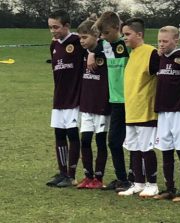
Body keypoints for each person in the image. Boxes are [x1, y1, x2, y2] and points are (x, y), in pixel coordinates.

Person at [89, 11, 133, 192]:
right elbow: (90, 43)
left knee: (132, 142)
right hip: (115, 101)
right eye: (102, 34)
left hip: (130, 100)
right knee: (114, 141)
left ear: (117, 28)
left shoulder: (128, 45)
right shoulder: (104, 44)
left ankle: (135, 179)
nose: (104, 37)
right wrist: (91, 53)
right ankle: (122, 178)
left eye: (106, 33)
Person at [118, 18, 160, 198]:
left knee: (146, 148)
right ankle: (138, 183)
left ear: (139, 34)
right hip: (132, 110)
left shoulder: (151, 53)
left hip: (146, 110)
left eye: (127, 34)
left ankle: (152, 184)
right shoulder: (133, 53)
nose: (124, 37)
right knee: (133, 148)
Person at [152, 26, 180, 202]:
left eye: (165, 41)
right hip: (163, 110)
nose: (161, 45)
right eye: (160, 41)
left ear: (176, 41)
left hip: (179, 110)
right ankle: (169, 188)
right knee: (166, 149)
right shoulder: (158, 58)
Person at [46, 9, 84, 188]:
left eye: (56, 27)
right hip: (59, 97)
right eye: (50, 27)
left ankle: (72, 174)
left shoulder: (77, 41)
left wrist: (92, 54)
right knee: (59, 134)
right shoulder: (54, 45)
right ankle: (62, 172)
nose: (53, 31)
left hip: (74, 96)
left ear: (67, 26)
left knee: (71, 133)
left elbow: (96, 44)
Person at [75, 16, 110, 189]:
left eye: (85, 37)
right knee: (85, 140)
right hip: (87, 104)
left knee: (101, 141)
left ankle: (99, 177)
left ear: (96, 36)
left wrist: (94, 52)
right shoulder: (83, 52)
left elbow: (108, 43)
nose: (81, 41)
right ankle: (88, 176)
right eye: (80, 37)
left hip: (102, 105)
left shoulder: (105, 52)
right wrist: (89, 52)